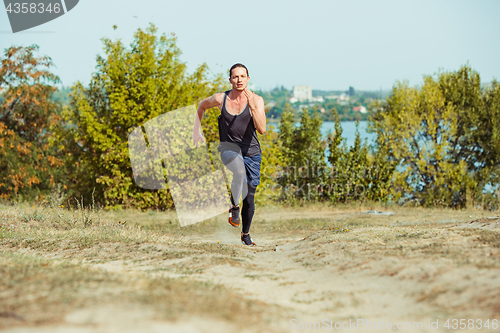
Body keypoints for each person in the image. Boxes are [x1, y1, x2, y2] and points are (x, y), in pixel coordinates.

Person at [192, 63, 266, 246]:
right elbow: (201, 106)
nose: (239, 80)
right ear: (230, 80)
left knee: (249, 198)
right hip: (228, 149)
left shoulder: (257, 100)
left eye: (243, 76)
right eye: (235, 76)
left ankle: (245, 235)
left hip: (252, 153)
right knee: (239, 172)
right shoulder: (220, 99)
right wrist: (196, 130)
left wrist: (252, 107)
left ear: (248, 79)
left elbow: (262, 129)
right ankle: (234, 207)